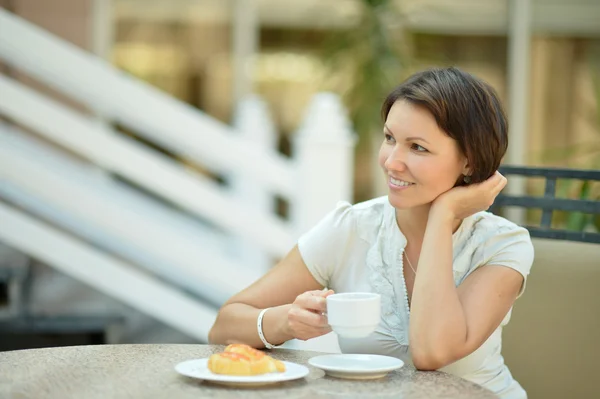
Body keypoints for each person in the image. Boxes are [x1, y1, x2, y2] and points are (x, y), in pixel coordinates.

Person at [209, 67, 534, 399]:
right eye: (390, 138)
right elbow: (224, 326)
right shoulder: (352, 227)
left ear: (469, 161)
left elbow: (431, 353)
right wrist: (285, 322)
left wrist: (443, 215)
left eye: (418, 147)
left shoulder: (502, 245)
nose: (392, 162)